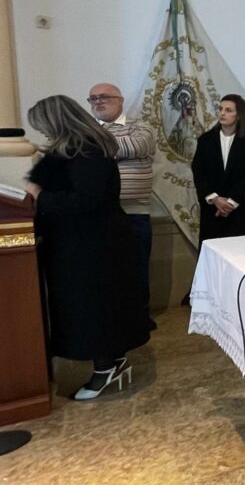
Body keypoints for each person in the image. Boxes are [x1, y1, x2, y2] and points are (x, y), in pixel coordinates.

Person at [24, 95, 149, 401]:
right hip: (79, 243)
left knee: (94, 307)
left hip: (94, 246)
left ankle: (105, 368)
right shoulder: (65, 150)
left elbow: (86, 200)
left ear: (57, 121)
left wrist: (40, 196)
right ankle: (113, 361)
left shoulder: (88, 151)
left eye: (42, 125)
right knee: (93, 306)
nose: (41, 132)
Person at [87, 83, 157, 329]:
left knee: (136, 271)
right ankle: (111, 322)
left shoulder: (141, 126)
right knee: (104, 274)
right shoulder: (85, 129)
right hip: (97, 216)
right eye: (93, 98)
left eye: (104, 97)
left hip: (133, 214)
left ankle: (139, 320)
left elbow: (136, 146)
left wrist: (94, 149)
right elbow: (73, 153)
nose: (98, 101)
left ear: (120, 100)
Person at [190, 94, 245, 246]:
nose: (222, 113)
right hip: (213, 213)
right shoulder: (206, 140)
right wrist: (215, 199)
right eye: (221, 109)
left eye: (228, 110)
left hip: (241, 213)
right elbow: (199, 172)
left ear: (239, 115)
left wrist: (230, 203)